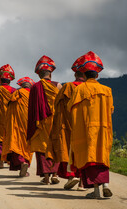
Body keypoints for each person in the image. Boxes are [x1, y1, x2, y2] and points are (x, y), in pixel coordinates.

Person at [67, 51, 114, 199]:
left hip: (86, 131)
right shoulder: (107, 91)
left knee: (91, 159)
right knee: (102, 157)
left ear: (84, 75)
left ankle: (96, 191)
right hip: (102, 130)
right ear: (97, 75)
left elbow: (70, 108)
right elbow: (111, 110)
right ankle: (105, 185)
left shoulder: (79, 89)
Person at [46, 56, 86, 190]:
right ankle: (81, 183)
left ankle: (71, 176)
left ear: (75, 74)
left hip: (68, 125)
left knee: (68, 150)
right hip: (84, 125)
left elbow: (57, 106)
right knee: (83, 151)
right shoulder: (89, 88)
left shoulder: (67, 87)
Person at [27, 55, 62, 184]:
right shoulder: (58, 86)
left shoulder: (35, 87)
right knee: (55, 146)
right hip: (55, 121)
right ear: (50, 74)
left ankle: (46, 177)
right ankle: (55, 175)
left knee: (42, 148)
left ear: (39, 75)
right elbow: (63, 104)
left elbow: (32, 108)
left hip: (41, 122)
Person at [1, 77, 35, 177]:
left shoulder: (18, 92)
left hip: (17, 122)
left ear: (22, 86)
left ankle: (22, 163)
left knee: (16, 143)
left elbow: (10, 104)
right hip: (30, 122)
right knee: (27, 143)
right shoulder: (33, 94)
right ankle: (25, 164)